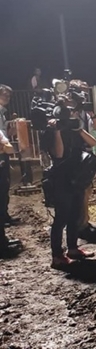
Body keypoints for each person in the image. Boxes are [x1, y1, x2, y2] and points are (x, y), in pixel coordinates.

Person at [42, 95, 96, 268]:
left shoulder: (74, 129)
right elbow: (58, 155)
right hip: (60, 179)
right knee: (61, 218)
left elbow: (93, 142)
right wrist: (57, 131)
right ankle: (57, 256)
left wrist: (79, 129)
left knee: (75, 214)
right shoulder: (49, 132)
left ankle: (73, 249)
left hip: (76, 177)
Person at [68, 81, 96, 236]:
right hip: (74, 154)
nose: (84, 94)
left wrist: (93, 114)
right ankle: (79, 225)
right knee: (79, 192)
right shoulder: (68, 110)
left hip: (86, 153)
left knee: (86, 191)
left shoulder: (84, 111)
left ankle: (84, 221)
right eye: (81, 91)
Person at [0, 85, 21, 255]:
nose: (7, 97)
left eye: (9, 95)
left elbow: (4, 134)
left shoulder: (3, 112)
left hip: (2, 155)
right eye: (4, 94)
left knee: (4, 190)